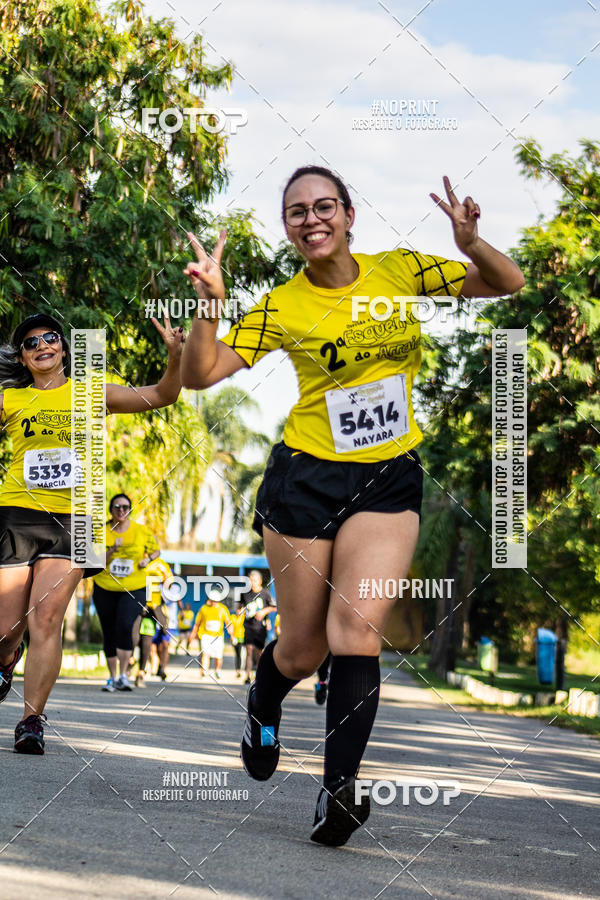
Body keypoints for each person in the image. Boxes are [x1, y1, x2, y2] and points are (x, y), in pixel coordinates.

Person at [180, 166, 524, 844]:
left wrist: (471, 242)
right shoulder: (281, 306)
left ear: (348, 215)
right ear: (288, 229)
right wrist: (211, 305)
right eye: (296, 213)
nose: (311, 220)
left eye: (323, 207)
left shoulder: (399, 272)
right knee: (303, 650)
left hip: (387, 479)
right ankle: (263, 701)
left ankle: (338, 791)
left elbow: (507, 282)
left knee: (357, 633)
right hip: (305, 478)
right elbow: (200, 374)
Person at [0, 312, 184, 753]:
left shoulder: (90, 394)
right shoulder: (10, 399)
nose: (42, 345)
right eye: (30, 343)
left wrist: (176, 357)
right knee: (7, 627)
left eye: (50, 338)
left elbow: (164, 394)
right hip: (17, 514)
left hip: (77, 517)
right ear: (23, 358)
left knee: (46, 618)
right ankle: (8, 658)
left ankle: (32, 721)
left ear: (64, 348)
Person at [93, 494, 160, 692]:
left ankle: (123, 674)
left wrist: (147, 560)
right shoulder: (101, 532)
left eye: (125, 507)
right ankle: (112, 677)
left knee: (124, 624)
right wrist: (112, 550)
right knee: (109, 629)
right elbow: (95, 561)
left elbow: (156, 550)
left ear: (130, 509)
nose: (121, 510)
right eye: (117, 507)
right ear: (111, 510)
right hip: (104, 586)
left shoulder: (140, 531)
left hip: (134, 587)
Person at [240, 570, 276, 685]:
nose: (252, 582)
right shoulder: (245, 593)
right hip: (248, 626)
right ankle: (248, 675)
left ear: (260, 581)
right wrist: (240, 611)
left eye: (254, 580)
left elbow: (274, 607)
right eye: (250, 580)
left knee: (258, 653)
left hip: (260, 628)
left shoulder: (265, 593)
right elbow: (240, 607)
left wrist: (263, 612)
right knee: (249, 650)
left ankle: (259, 674)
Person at [190, 588, 232, 680]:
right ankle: (205, 671)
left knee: (218, 656)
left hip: (218, 637)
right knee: (205, 653)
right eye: (213, 600)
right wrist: (193, 635)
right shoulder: (204, 609)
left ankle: (217, 670)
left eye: (216, 601)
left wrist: (231, 633)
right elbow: (197, 623)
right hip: (206, 635)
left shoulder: (222, 609)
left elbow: (228, 622)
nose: (214, 603)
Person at [230, 600, 247, 678]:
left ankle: (244, 670)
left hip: (244, 638)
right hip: (236, 638)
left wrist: (243, 609)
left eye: (240, 609)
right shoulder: (233, 617)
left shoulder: (244, 617)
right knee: (238, 655)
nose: (238, 611)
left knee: (244, 654)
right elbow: (230, 628)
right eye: (237, 609)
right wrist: (232, 637)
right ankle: (238, 670)